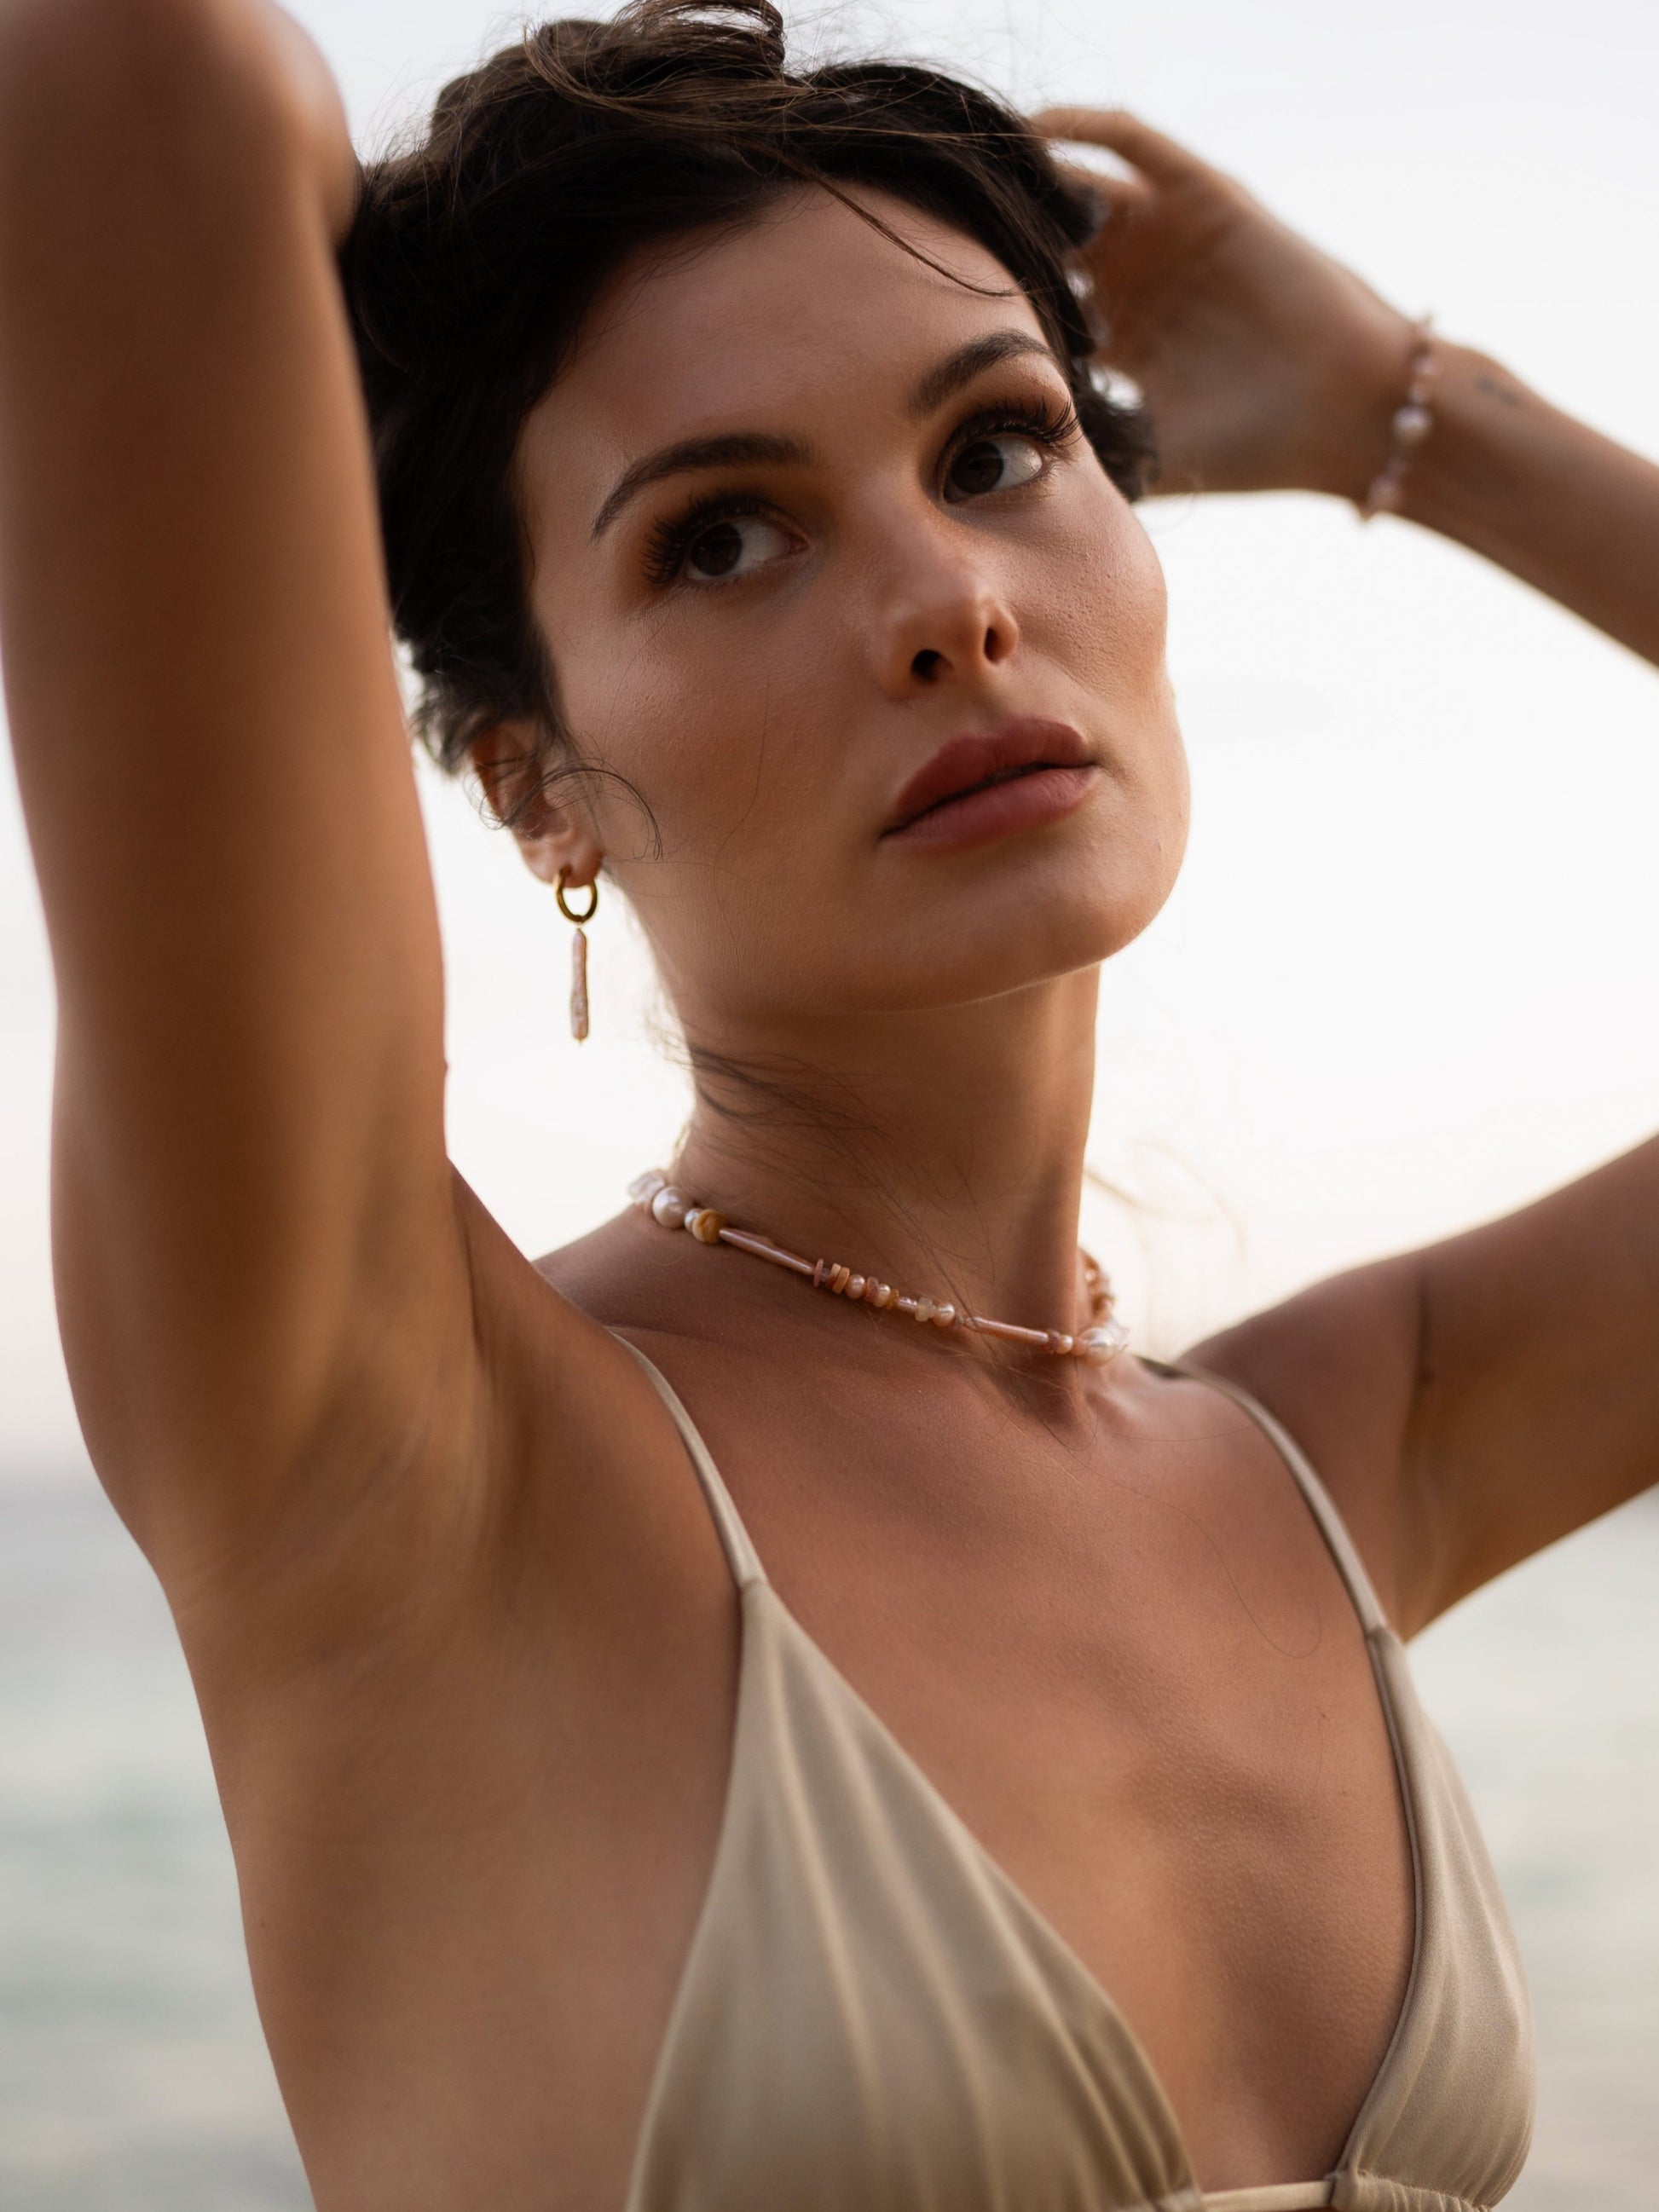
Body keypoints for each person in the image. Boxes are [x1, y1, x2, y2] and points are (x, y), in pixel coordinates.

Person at [0, 1, 1654, 2205]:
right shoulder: (400, 1453)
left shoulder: (1334, 1456)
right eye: (718, 539)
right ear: (536, 783)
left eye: (994, 451)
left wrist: (1400, 417)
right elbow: (126, 90)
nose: (949, 606)